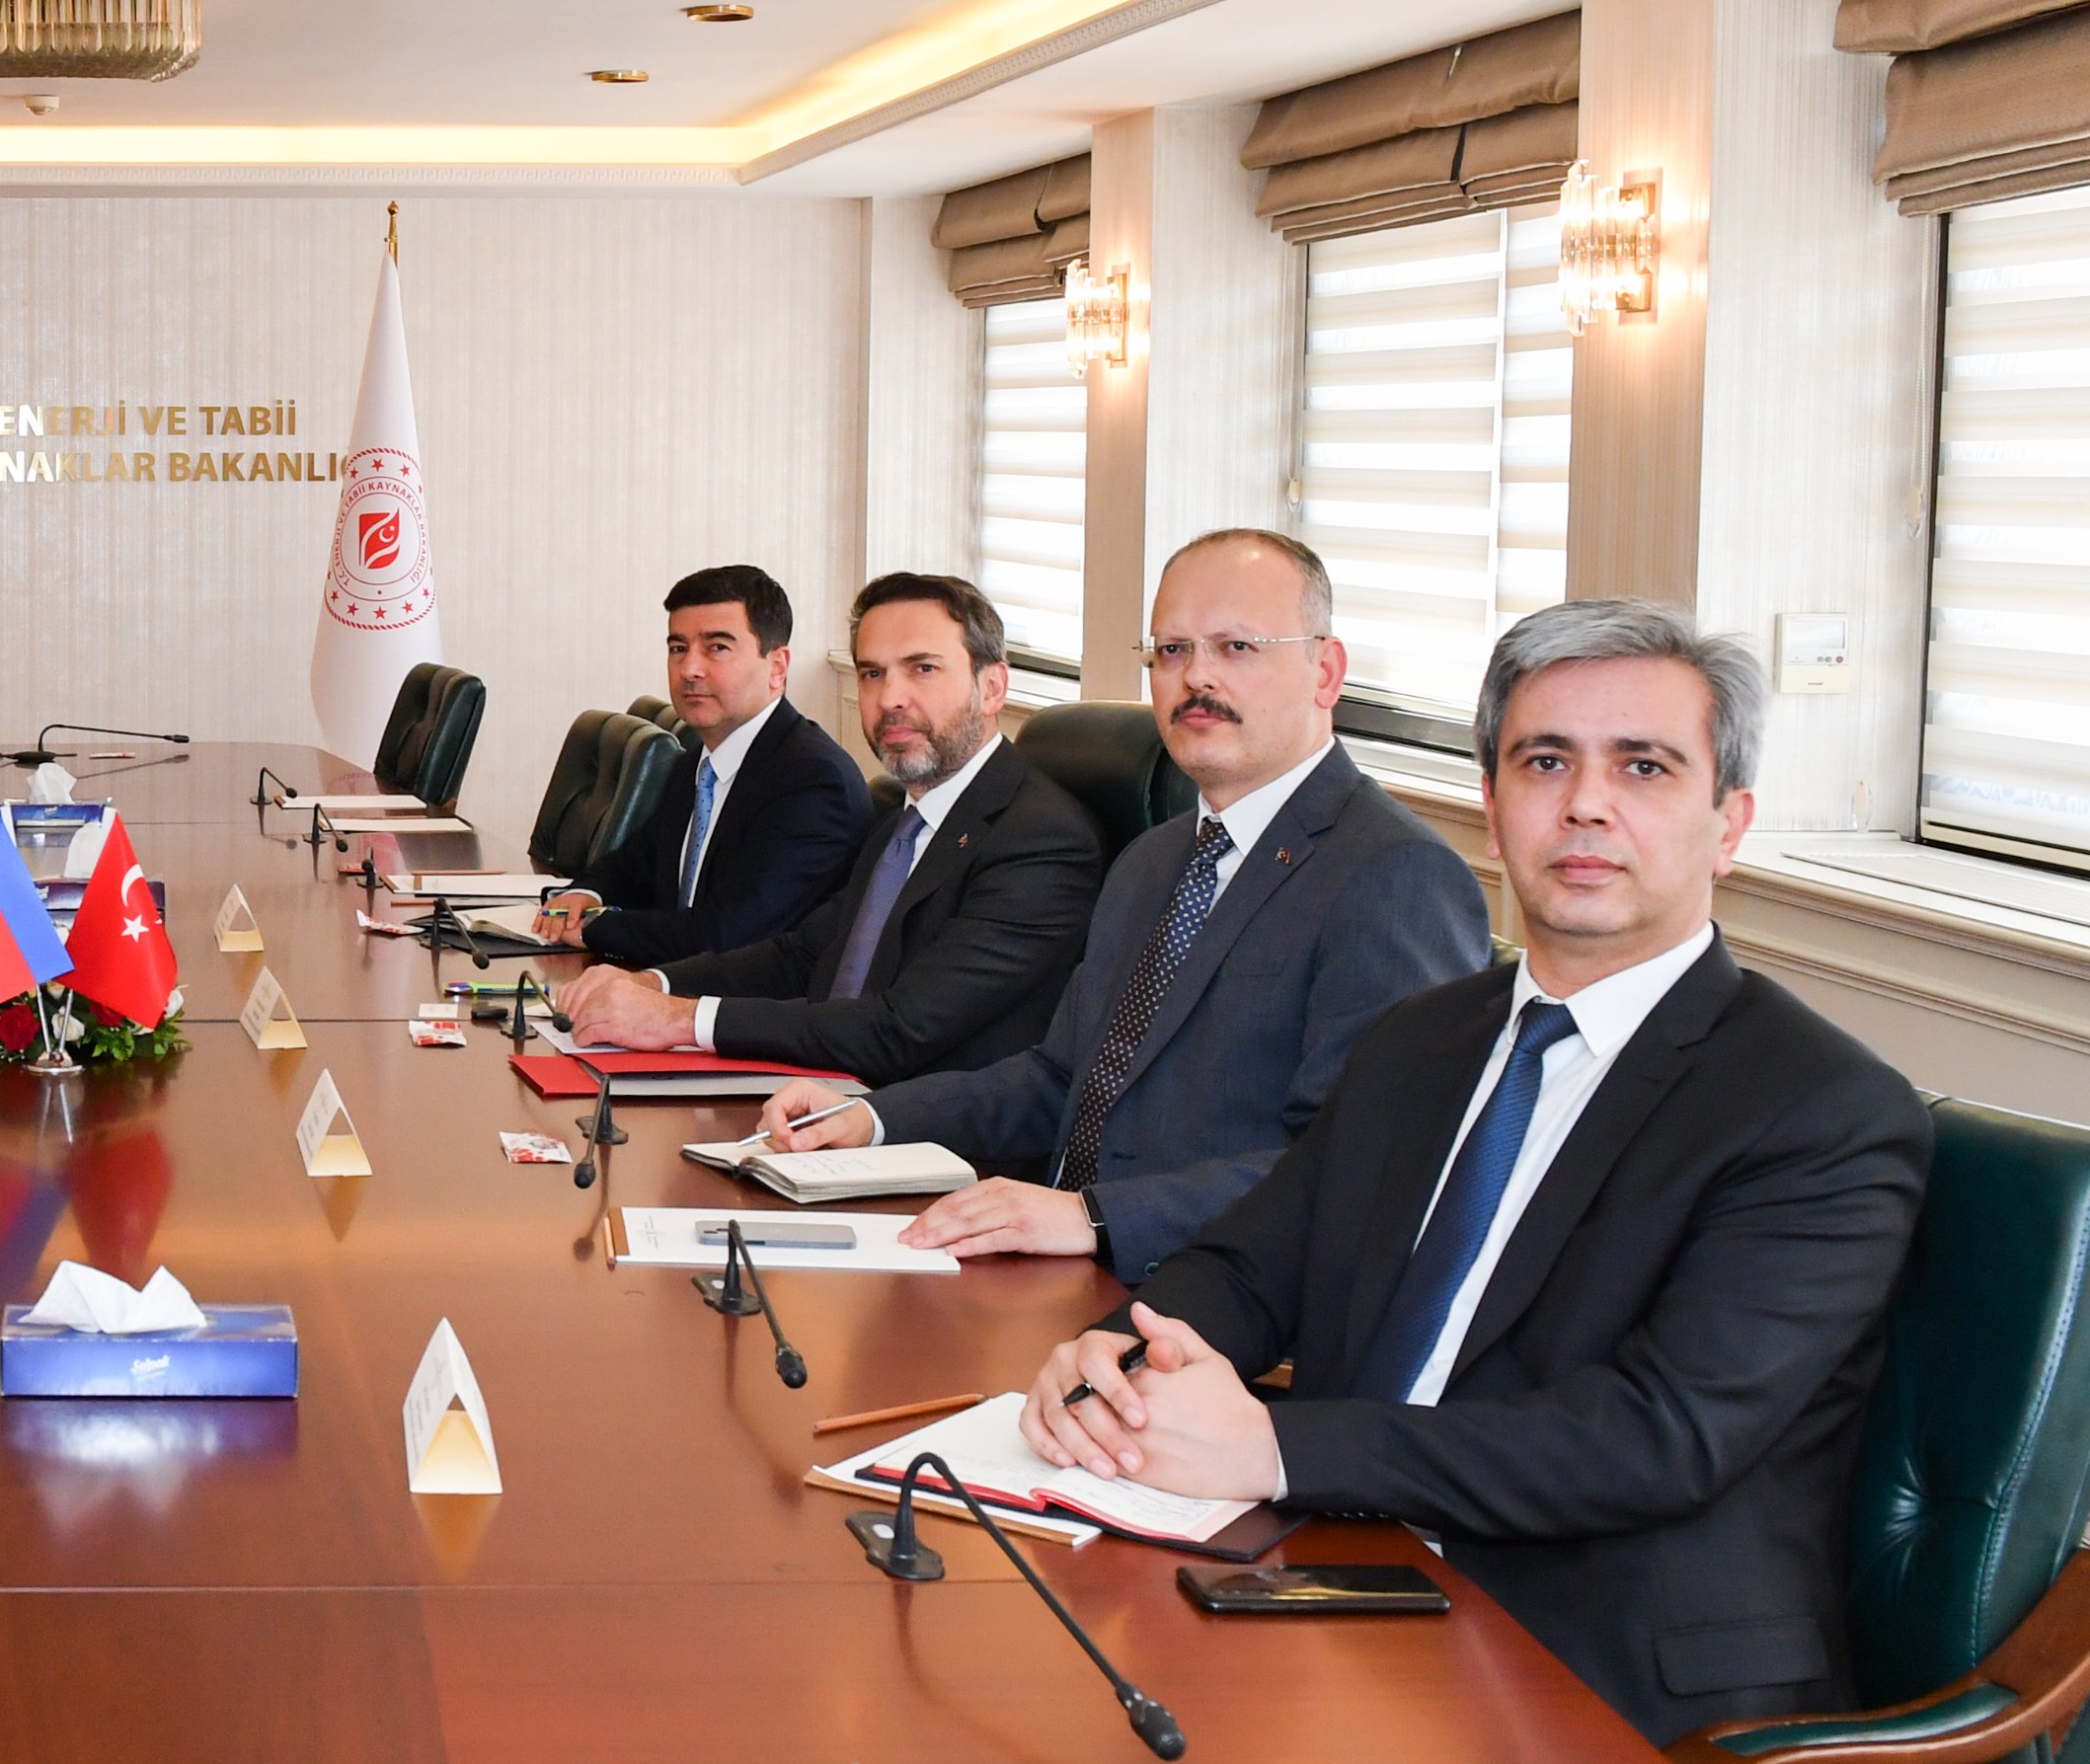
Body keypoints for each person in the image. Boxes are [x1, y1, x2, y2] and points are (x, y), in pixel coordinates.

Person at [1015, 600, 1934, 1764]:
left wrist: (1270, 1444)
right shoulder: (1422, 1042)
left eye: (1644, 766)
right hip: (1344, 1593)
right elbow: (1253, 1263)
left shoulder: (1820, 1111)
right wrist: (1121, 1347)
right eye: (1544, 762)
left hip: (1617, 1698)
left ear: (1728, 822)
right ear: (1492, 808)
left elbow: (1656, 1436)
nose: (1586, 805)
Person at [748, 531, 1489, 1276]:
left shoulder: (1396, 875)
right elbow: (1058, 1078)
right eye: (1171, 650)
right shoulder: (1153, 859)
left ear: (1325, 672)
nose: (1196, 676)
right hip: (1060, 1267)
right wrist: (871, 1117)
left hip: (1211, 1298)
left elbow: (1355, 1165)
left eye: (1237, 646)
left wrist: (1094, 1217)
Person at [552, 573, 1102, 1078]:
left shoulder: (1040, 842)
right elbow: (801, 955)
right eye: (872, 674)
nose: (890, 699)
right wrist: (653, 983)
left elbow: (899, 1029)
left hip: (920, 1130)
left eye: (923, 669)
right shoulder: (904, 825)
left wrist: (680, 1019)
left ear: (993, 687)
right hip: (821, 1095)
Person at [532, 564, 872, 968]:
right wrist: (585, 895)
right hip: (676, 984)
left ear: (777, 667)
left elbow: (723, 936)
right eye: (678, 648)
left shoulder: (813, 783)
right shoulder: (699, 759)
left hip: (743, 1001)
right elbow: (636, 863)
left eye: (717, 648)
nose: (689, 669)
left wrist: (593, 928)